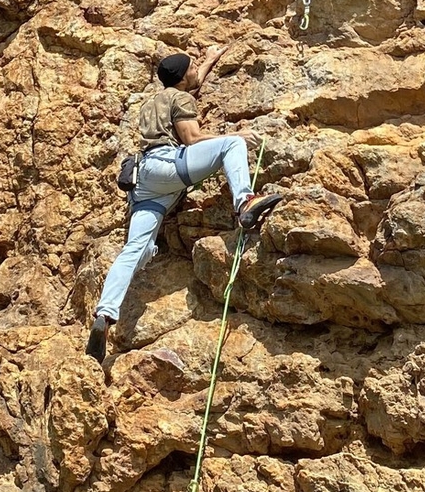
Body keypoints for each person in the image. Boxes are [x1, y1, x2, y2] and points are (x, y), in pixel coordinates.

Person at [85, 46, 280, 363]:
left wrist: (209, 61)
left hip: (145, 180)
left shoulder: (156, 101)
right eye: (192, 68)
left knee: (134, 249)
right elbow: (191, 139)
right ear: (181, 78)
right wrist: (238, 133)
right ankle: (245, 202)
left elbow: (191, 82)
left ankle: (104, 316)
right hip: (168, 167)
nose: (195, 73)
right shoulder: (182, 99)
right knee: (232, 144)